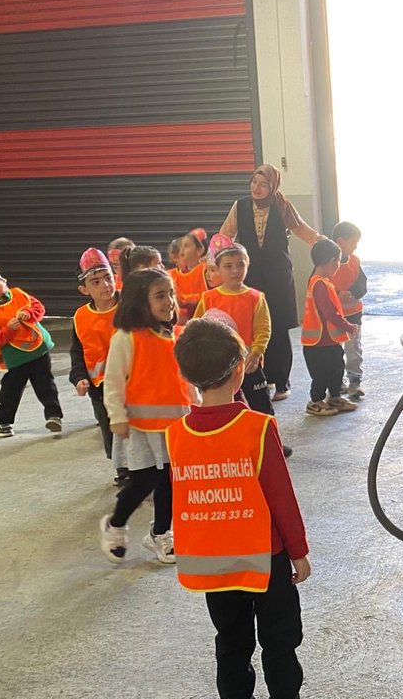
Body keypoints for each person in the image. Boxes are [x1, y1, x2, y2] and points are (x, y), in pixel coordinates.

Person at [169, 317, 324, 699]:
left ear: (186, 375)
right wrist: (299, 551)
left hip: (213, 567)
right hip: (264, 560)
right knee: (279, 641)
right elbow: (281, 498)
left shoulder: (175, 435)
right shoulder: (257, 428)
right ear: (241, 369)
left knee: (231, 644)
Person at [100, 268, 190, 565]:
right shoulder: (126, 338)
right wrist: (116, 417)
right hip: (140, 428)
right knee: (143, 482)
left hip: (176, 425)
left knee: (170, 481)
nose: (170, 301)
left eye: (171, 294)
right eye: (160, 295)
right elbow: (113, 380)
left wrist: (198, 404)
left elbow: (183, 379)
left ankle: (160, 534)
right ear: (140, 302)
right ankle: (115, 524)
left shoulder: (175, 335)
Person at [219, 164, 323, 403]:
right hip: (250, 275)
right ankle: (257, 379)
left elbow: (302, 230)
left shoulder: (282, 205)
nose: (257, 188)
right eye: (254, 182)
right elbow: (225, 235)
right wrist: (214, 259)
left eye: (263, 184)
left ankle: (282, 382)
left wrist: (321, 243)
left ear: (272, 186)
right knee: (253, 327)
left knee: (277, 328)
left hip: (278, 276)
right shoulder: (240, 206)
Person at [0, 264, 63, 440]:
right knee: (11, 389)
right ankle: (3, 422)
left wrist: (28, 312)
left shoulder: (18, 294)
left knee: (46, 384)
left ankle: (54, 415)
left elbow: (39, 308)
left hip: (40, 349)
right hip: (17, 358)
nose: (4, 280)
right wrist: (8, 330)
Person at [196, 234, 273, 416]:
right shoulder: (208, 298)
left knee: (261, 403)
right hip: (218, 364)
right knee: (228, 406)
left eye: (240, 265)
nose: (235, 271)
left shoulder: (256, 297)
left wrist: (256, 353)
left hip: (249, 363)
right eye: (228, 266)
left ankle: (268, 436)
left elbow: (263, 329)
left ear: (247, 266)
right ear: (218, 269)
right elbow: (197, 327)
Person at [69, 248, 124, 483]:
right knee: (110, 429)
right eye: (95, 281)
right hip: (100, 387)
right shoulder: (80, 317)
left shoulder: (129, 306)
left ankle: (143, 467)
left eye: (108, 278)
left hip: (133, 382)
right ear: (84, 289)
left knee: (136, 427)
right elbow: (77, 352)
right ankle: (122, 469)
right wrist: (79, 377)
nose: (104, 285)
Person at [300, 239, 359, 417]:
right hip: (318, 343)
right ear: (332, 260)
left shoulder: (324, 282)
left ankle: (334, 396)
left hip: (330, 341)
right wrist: (348, 326)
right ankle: (316, 401)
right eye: (338, 261)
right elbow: (330, 313)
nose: (338, 266)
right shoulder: (319, 283)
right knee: (321, 373)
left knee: (336, 368)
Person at [329, 221, 368, 399]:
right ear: (341, 242)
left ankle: (355, 381)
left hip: (353, 315)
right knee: (335, 351)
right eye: (353, 242)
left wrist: (353, 293)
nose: (356, 246)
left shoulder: (355, 261)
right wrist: (337, 294)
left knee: (353, 349)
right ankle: (336, 382)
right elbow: (319, 285)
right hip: (333, 317)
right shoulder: (328, 264)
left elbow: (362, 284)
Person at [170, 228, 211, 324]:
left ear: (200, 250)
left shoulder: (206, 270)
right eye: (181, 246)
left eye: (186, 246)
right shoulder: (171, 274)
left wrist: (185, 303)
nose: (182, 249)